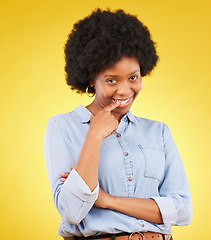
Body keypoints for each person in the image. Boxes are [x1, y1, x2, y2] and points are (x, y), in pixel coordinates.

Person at [44, 8, 192, 240]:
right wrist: (94, 134)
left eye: (133, 78)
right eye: (112, 80)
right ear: (91, 79)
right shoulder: (63, 128)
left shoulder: (158, 132)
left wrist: (107, 200)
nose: (125, 90)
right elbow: (72, 211)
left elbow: (182, 210)